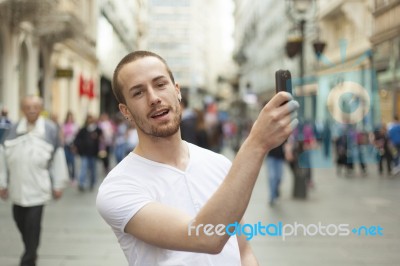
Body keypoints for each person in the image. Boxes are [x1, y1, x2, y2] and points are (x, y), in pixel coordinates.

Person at [96, 51, 299, 265]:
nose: (154, 98)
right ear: (125, 111)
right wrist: (257, 143)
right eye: (138, 92)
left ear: (177, 91)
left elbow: (243, 250)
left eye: (160, 84)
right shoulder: (117, 188)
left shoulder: (219, 164)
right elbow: (205, 237)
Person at [0, 95, 68, 266]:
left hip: (38, 190)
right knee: (20, 222)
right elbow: (2, 158)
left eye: (35, 107)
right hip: (17, 189)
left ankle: (28, 258)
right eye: (28, 107)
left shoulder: (50, 130)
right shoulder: (12, 130)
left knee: (33, 226)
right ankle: (30, 251)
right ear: (22, 109)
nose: (31, 110)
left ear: (41, 109)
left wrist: (58, 184)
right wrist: (2, 183)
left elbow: (59, 158)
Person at [74, 114, 102, 191]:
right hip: (85, 153)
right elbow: (77, 140)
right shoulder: (83, 130)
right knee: (83, 168)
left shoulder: (97, 130)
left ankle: (92, 183)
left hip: (93, 153)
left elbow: (101, 138)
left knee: (93, 169)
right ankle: (81, 183)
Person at [62, 111, 79, 182]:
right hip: (66, 145)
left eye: (71, 117)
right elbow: (62, 135)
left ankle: (73, 177)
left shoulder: (75, 125)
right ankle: (68, 175)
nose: (69, 119)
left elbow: (77, 136)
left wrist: (76, 146)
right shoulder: (63, 125)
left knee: (72, 162)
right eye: (68, 117)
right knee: (66, 161)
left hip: (72, 145)